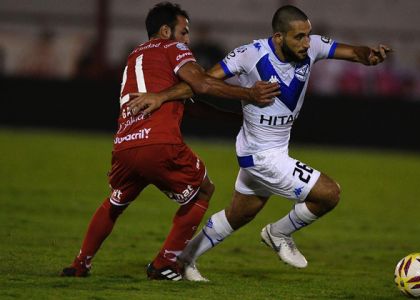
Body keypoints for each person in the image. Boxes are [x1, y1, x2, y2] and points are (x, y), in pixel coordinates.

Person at [127, 4, 391, 281]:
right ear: (279, 37)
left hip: (275, 149)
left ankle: (183, 260)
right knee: (329, 193)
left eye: (308, 35)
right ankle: (279, 233)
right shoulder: (250, 55)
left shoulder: (311, 47)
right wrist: (161, 96)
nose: (306, 43)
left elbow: (351, 52)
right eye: (298, 37)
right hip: (260, 155)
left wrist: (369, 55)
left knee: (238, 215)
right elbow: (202, 81)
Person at [60, 2, 279, 280]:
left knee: (115, 204)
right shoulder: (171, 48)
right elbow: (201, 85)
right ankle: (165, 262)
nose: (187, 39)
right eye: (184, 32)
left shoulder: (135, 56)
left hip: (126, 144)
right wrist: (250, 95)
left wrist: (235, 119)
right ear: (165, 31)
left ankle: (80, 264)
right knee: (203, 190)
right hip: (159, 143)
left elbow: (192, 104)